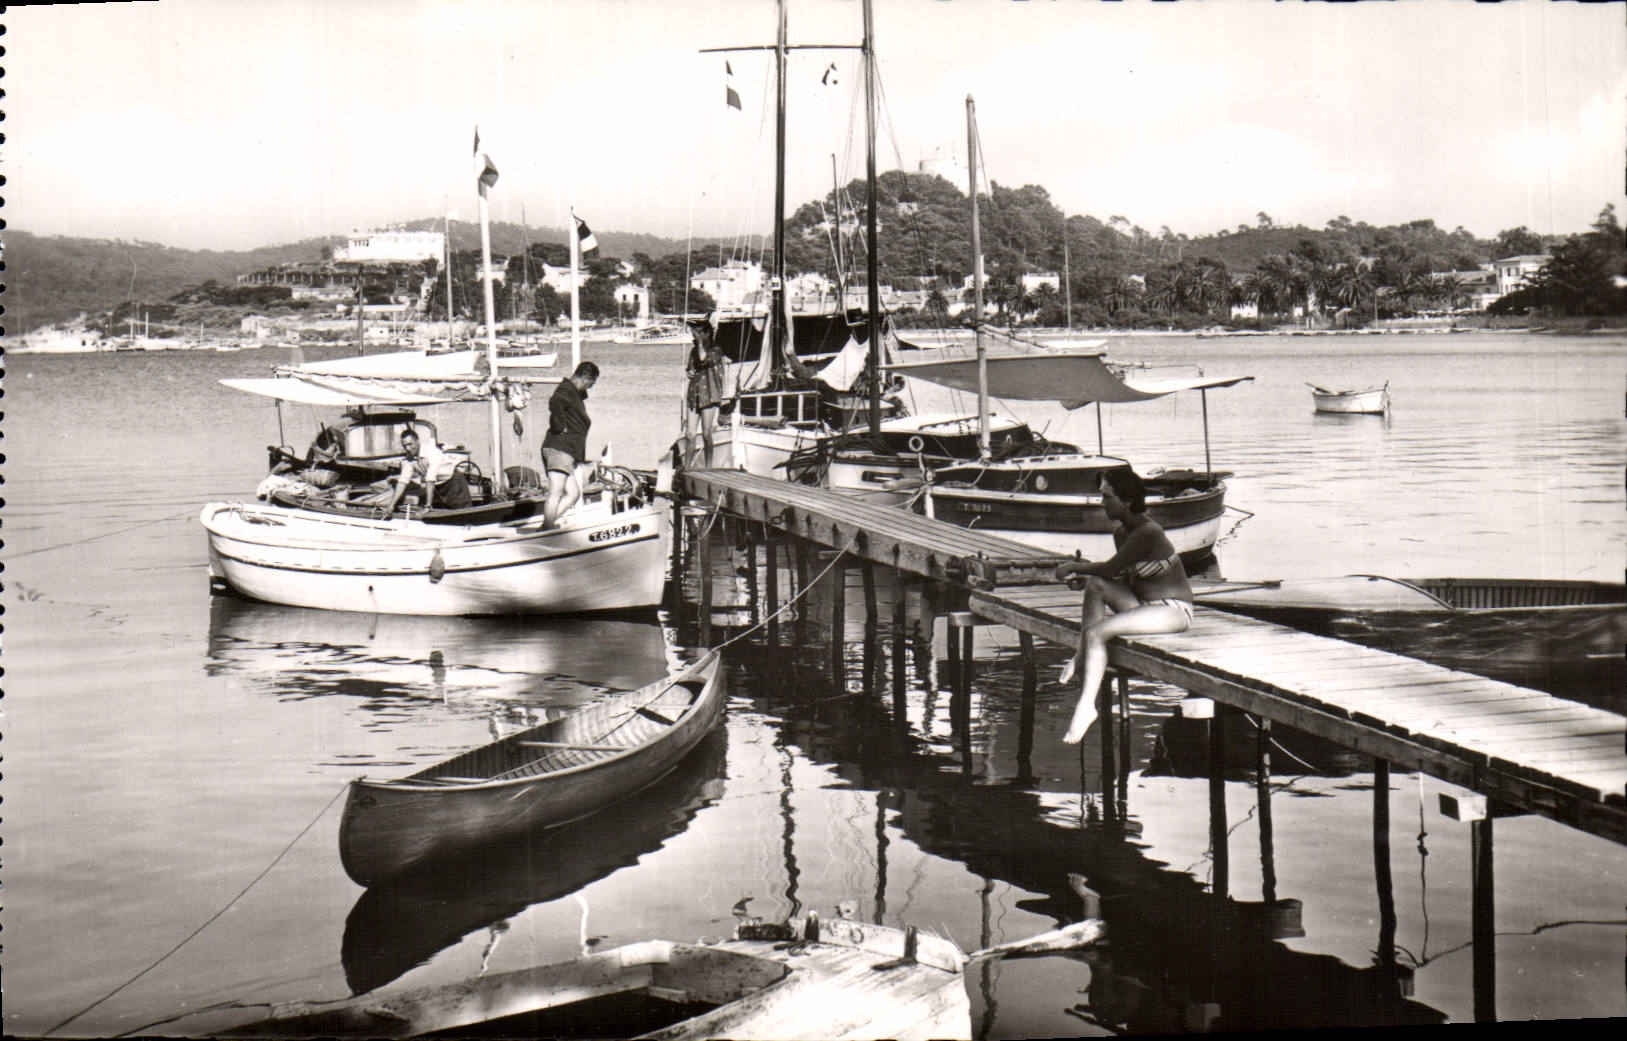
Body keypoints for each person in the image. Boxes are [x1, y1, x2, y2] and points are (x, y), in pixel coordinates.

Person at [1052, 468, 1194, 745]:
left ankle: (1086, 706)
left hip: (1173, 612)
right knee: (1096, 586)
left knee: (1096, 634)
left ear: (1126, 500)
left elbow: (1110, 566)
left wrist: (1074, 566)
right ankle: (1082, 655)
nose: (1102, 503)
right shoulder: (1121, 532)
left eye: (1106, 497)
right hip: (1144, 606)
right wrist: (1086, 577)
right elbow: (1119, 574)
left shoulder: (1148, 532)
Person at [541, 361, 600, 527]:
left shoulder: (572, 391)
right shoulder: (566, 389)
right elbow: (556, 401)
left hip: (565, 451)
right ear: (585, 378)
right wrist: (559, 426)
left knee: (573, 494)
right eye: (591, 383)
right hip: (559, 448)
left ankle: (546, 526)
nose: (591, 387)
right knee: (555, 492)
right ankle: (546, 531)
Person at [373, 426, 453, 514]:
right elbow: (402, 482)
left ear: (418, 441)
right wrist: (391, 505)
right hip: (436, 487)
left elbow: (430, 481)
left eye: (410, 444)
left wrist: (427, 507)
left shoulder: (432, 452)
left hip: (452, 484)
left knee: (459, 516)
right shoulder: (409, 459)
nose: (407, 448)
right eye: (405, 446)